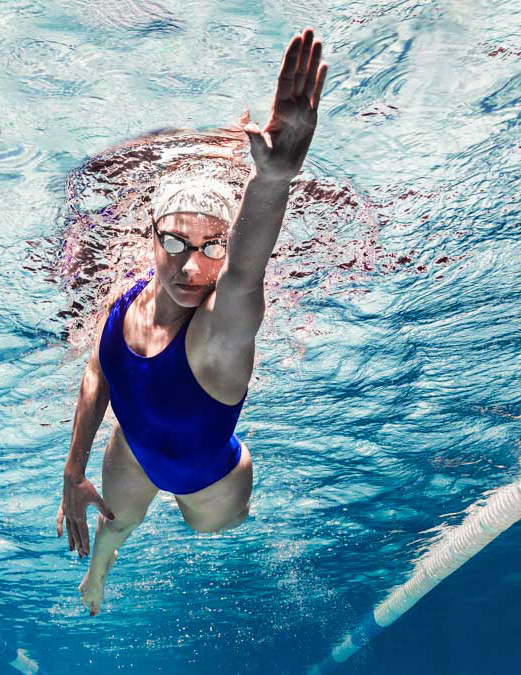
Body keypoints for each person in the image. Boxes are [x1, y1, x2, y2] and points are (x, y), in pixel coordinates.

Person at [56, 28, 329, 616]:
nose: (191, 263)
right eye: (175, 241)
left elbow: (245, 275)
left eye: (212, 247)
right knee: (117, 522)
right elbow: (99, 372)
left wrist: (274, 179)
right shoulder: (123, 300)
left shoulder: (218, 331)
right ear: (151, 236)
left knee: (214, 531)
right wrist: (73, 469)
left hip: (212, 475)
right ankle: (98, 576)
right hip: (134, 453)